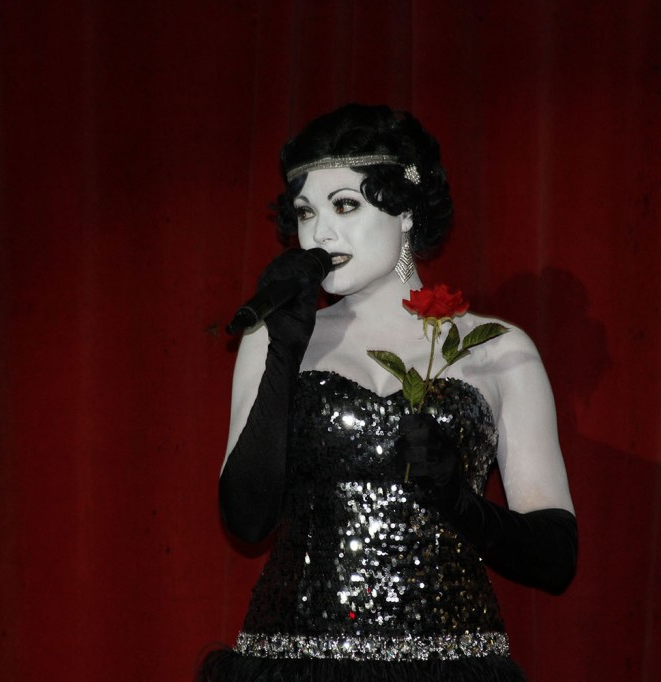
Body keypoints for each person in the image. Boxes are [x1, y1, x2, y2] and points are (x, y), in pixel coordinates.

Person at [201, 104, 577, 681]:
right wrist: (283, 349)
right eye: (305, 212)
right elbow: (247, 521)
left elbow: (555, 558)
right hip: (295, 665)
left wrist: (461, 503)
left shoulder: (498, 350)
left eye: (345, 205)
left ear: (404, 211)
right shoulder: (274, 335)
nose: (320, 233)